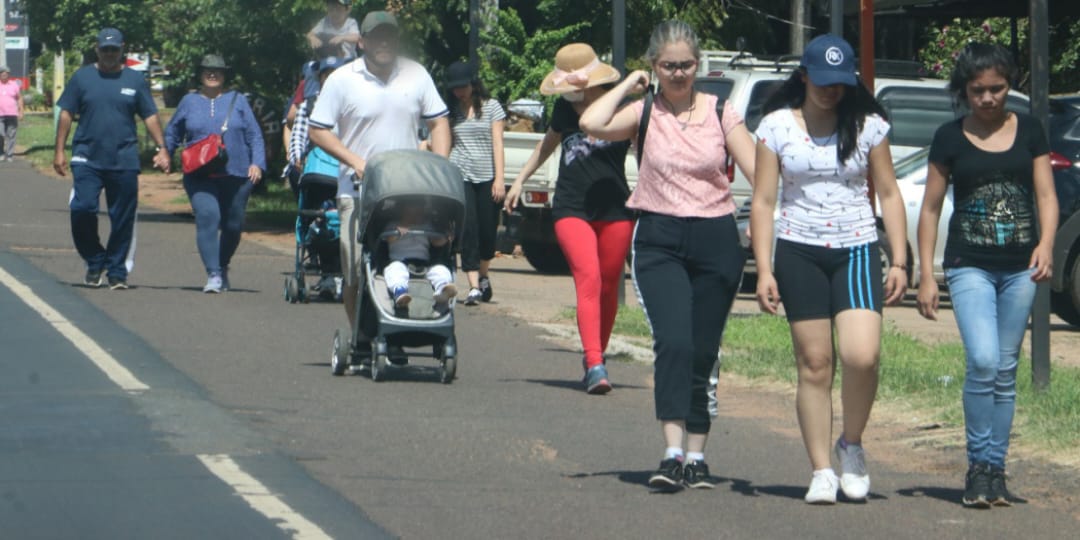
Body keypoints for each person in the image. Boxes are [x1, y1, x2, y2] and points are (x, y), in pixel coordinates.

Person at [580, 20, 756, 490]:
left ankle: (698, 456)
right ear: (654, 67)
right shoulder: (642, 113)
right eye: (668, 66)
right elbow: (589, 122)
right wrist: (625, 86)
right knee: (673, 343)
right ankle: (672, 453)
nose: (678, 74)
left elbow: (761, 172)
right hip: (659, 237)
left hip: (716, 238)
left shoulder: (723, 113)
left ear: (698, 65)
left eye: (686, 65)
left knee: (703, 349)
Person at [750, 34, 909, 505]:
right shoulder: (776, 126)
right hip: (799, 251)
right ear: (804, 77)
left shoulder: (869, 126)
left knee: (862, 356)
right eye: (821, 81)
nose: (830, 91)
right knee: (815, 364)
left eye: (840, 83)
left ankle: (851, 445)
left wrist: (899, 259)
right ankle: (821, 468)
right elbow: (762, 200)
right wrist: (763, 269)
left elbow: (890, 193)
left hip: (857, 247)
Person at [916, 43, 1058, 509]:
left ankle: (996, 471)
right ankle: (977, 465)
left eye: (997, 88)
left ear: (1009, 85)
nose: (989, 98)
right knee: (982, 361)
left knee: (1005, 368)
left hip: (1021, 268)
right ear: (964, 91)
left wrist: (1046, 244)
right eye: (978, 90)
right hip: (968, 264)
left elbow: (1046, 195)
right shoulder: (949, 138)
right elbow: (931, 208)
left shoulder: (1031, 130)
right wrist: (926, 273)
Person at [308, 10, 451, 335]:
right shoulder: (342, 79)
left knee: (409, 261)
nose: (383, 42)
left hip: (408, 191)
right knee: (357, 271)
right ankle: (361, 337)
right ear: (362, 41)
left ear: (397, 40)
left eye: (389, 36)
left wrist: (439, 167)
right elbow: (318, 130)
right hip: (357, 191)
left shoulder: (416, 74)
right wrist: (356, 161)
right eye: (376, 37)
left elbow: (439, 122)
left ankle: (402, 329)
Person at [506, 43, 632, 394]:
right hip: (571, 206)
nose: (570, 95)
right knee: (588, 278)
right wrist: (520, 179)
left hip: (616, 207)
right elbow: (546, 146)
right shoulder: (563, 109)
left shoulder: (620, 106)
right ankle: (594, 363)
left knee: (609, 285)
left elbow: (648, 148)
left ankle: (597, 354)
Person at [54, 28, 171, 290]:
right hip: (87, 157)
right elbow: (66, 114)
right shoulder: (83, 78)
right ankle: (95, 259)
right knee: (82, 208)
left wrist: (162, 148)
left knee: (123, 217)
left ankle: (117, 271)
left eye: (114, 50)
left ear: (122, 50)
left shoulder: (134, 80)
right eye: (105, 49)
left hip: (124, 158)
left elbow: (149, 115)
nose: (109, 54)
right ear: (97, 49)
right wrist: (59, 150)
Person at [164, 54, 267, 293]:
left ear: (224, 75)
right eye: (207, 71)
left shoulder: (238, 100)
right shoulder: (188, 101)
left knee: (233, 225)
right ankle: (214, 274)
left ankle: (222, 264)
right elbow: (173, 133)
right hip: (199, 174)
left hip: (237, 174)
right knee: (208, 216)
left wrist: (257, 164)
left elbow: (255, 135)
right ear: (200, 74)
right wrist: (165, 154)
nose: (212, 74)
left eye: (217, 71)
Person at [444, 61, 506, 305]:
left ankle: (483, 275)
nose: (460, 92)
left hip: (487, 174)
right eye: (455, 88)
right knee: (467, 229)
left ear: (473, 83)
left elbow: (497, 143)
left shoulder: (492, 108)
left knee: (487, 231)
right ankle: (472, 286)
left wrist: (499, 179)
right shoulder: (450, 111)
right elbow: (445, 143)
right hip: (461, 174)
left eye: (463, 86)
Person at [384, 201, 457, 311]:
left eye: (420, 212)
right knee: (394, 270)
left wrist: (446, 238)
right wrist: (398, 232)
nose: (417, 216)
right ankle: (400, 292)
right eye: (412, 213)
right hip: (400, 261)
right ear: (403, 211)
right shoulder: (393, 225)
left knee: (440, 269)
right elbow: (388, 239)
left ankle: (442, 289)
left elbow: (435, 241)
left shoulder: (426, 226)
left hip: (423, 264)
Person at [0, 65, 25, 162]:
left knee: (11, 135)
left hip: (12, 114)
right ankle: (1, 152)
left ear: (8, 75)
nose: (4, 75)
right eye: (2, 73)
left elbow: (19, 98)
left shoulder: (14, 85)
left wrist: (21, 111)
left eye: (6, 73)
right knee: (0, 134)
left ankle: (9, 154)